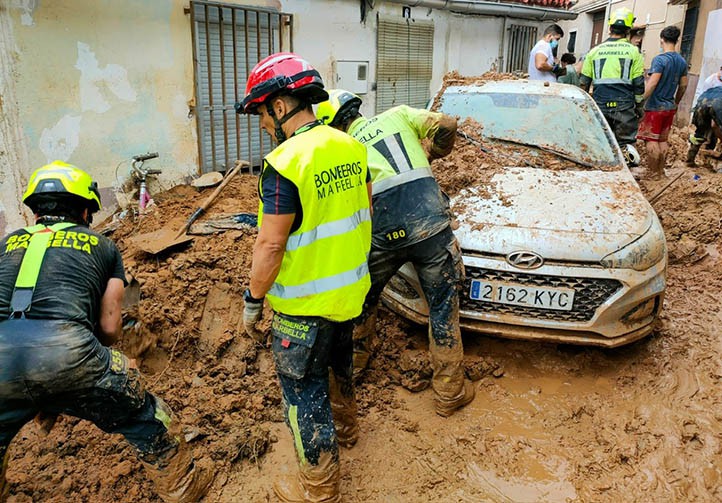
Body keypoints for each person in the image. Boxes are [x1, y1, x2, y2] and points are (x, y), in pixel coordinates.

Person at [0, 162, 213, 503]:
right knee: (144, 414)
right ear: (85, 209)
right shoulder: (102, 246)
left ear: (36, 209)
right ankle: (183, 489)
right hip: (69, 354)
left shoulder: (7, 243)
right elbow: (111, 328)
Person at [237, 53, 372, 502]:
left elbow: (271, 246)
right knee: (339, 366)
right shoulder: (351, 147)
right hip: (348, 295)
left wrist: (253, 301)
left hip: (302, 309)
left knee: (303, 391)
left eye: (260, 112)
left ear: (279, 107)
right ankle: (348, 430)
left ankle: (319, 486)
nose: (260, 124)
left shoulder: (283, 163)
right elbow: (361, 212)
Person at [316, 89, 475, 419]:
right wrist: (433, 152)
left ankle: (355, 371)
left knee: (362, 302)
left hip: (382, 232)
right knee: (443, 308)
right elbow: (446, 123)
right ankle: (449, 393)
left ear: (332, 126)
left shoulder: (344, 148)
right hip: (430, 224)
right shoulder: (398, 115)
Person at [581, 7, 645, 167]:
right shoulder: (634, 52)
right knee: (625, 146)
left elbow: (583, 84)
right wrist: (639, 106)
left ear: (610, 28)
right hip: (624, 107)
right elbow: (638, 84)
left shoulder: (594, 51)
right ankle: (624, 177)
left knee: (599, 143)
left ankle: (599, 174)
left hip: (600, 105)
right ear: (628, 29)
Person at [637, 25, 688, 179]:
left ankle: (652, 172)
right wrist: (676, 102)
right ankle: (661, 172)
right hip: (669, 106)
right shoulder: (681, 61)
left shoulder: (660, 60)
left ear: (661, 39)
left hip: (655, 107)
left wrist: (640, 100)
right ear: (677, 40)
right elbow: (684, 85)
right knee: (662, 140)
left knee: (651, 140)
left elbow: (652, 83)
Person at [687, 86, 722, 167]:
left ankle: (689, 160)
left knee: (699, 134)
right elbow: (714, 125)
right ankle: (707, 161)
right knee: (713, 132)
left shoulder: (716, 88)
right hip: (717, 104)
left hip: (702, 102)